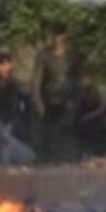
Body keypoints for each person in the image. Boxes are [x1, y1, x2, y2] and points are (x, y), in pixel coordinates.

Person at [30, 23, 76, 163]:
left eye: (61, 37)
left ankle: (66, 158)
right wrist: (37, 101)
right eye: (56, 37)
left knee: (67, 129)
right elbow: (36, 80)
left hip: (68, 97)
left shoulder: (72, 55)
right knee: (49, 131)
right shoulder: (44, 55)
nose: (58, 41)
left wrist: (75, 98)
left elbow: (77, 77)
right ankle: (47, 158)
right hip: (50, 98)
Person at [0, 53, 35, 165]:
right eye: (1, 64)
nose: (4, 67)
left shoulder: (13, 82)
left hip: (9, 118)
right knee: (4, 142)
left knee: (5, 142)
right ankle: (5, 165)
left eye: (7, 64)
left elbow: (16, 101)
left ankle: (6, 165)